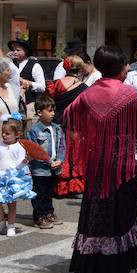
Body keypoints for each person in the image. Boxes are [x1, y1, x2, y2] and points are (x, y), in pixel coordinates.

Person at [64, 45, 137, 273]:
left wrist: (89, 137)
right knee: (122, 214)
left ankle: (90, 268)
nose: (127, 68)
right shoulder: (127, 94)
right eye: (125, 64)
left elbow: (69, 117)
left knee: (95, 212)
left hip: (97, 162)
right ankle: (122, 267)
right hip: (123, 164)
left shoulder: (88, 93)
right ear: (119, 67)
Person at [0, 115, 36, 237]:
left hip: (12, 178)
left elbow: (18, 165)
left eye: (7, 133)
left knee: (11, 203)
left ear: (17, 134)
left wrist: (25, 161)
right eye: (3, 133)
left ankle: (11, 225)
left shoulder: (20, 147)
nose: (4, 135)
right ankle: (0, 223)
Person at [47, 56, 89, 197]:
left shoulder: (56, 84)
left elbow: (48, 103)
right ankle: (74, 186)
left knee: (59, 153)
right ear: (80, 68)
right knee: (75, 155)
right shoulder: (84, 87)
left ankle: (59, 185)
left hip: (57, 123)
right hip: (76, 126)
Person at [27, 96, 65, 229]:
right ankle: (39, 216)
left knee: (49, 192)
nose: (53, 113)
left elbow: (62, 146)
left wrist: (60, 160)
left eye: (53, 110)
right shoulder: (34, 130)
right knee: (39, 193)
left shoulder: (57, 128)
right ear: (39, 112)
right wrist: (48, 161)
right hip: (40, 169)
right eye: (49, 111)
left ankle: (49, 212)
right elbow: (34, 150)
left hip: (54, 167)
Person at [8, 39, 46, 119]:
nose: (15, 52)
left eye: (18, 50)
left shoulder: (35, 65)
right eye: (13, 50)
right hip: (12, 105)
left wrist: (28, 83)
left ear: (26, 51)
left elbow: (42, 87)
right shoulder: (11, 64)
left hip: (29, 105)